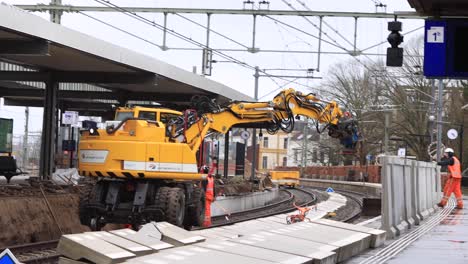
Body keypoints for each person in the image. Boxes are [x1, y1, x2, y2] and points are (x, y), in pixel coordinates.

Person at [201, 157, 217, 227]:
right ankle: (207, 222)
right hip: (210, 196)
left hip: (206, 196)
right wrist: (214, 196)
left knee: (206, 210)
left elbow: (203, 189)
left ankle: (206, 223)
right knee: (208, 210)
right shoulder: (211, 178)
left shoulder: (205, 179)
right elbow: (213, 188)